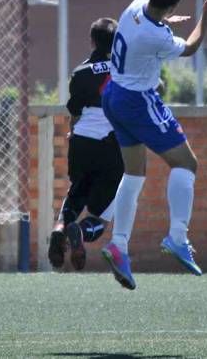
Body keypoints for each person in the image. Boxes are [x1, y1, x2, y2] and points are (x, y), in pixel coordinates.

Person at [100, 0, 207, 290]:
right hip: (137, 101)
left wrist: (167, 17)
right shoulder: (157, 37)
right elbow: (190, 47)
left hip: (113, 95)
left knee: (133, 174)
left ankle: (118, 244)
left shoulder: (136, 5)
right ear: (172, 4)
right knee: (187, 164)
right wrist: (206, 16)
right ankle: (177, 237)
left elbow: (152, 28)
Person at [48, 18, 124, 271]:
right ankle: (79, 232)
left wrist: (73, 134)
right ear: (116, 42)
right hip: (112, 145)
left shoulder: (80, 72)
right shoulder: (125, 69)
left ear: (92, 41)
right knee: (100, 217)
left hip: (81, 142)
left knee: (76, 192)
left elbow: (75, 111)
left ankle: (59, 229)